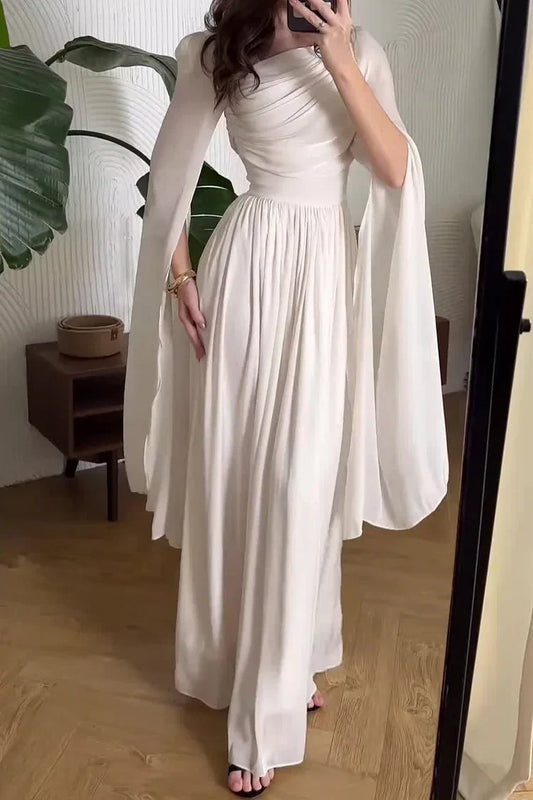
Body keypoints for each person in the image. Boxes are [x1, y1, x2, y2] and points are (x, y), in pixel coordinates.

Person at [123, 0, 449, 795]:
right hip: (244, 271)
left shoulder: (358, 49)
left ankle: (286, 666)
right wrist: (180, 274)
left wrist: (338, 59)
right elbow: (167, 178)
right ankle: (249, 698)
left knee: (300, 483)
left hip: (323, 279)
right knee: (236, 476)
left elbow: (394, 170)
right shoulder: (214, 50)